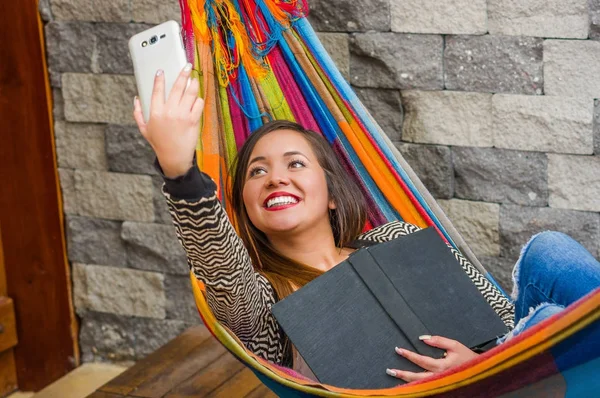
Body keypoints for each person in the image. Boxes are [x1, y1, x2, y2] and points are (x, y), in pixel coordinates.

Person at [133, 65, 600, 383]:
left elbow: (494, 314)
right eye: (257, 171)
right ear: (247, 212)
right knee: (555, 323)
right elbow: (224, 274)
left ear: (333, 195)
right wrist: (180, 173)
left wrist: (477, 362)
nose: (275, 175)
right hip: (459, 391)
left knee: (549, 252)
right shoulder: (265, 298)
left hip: (495, 367)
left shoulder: (392, 238)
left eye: (295, 164)